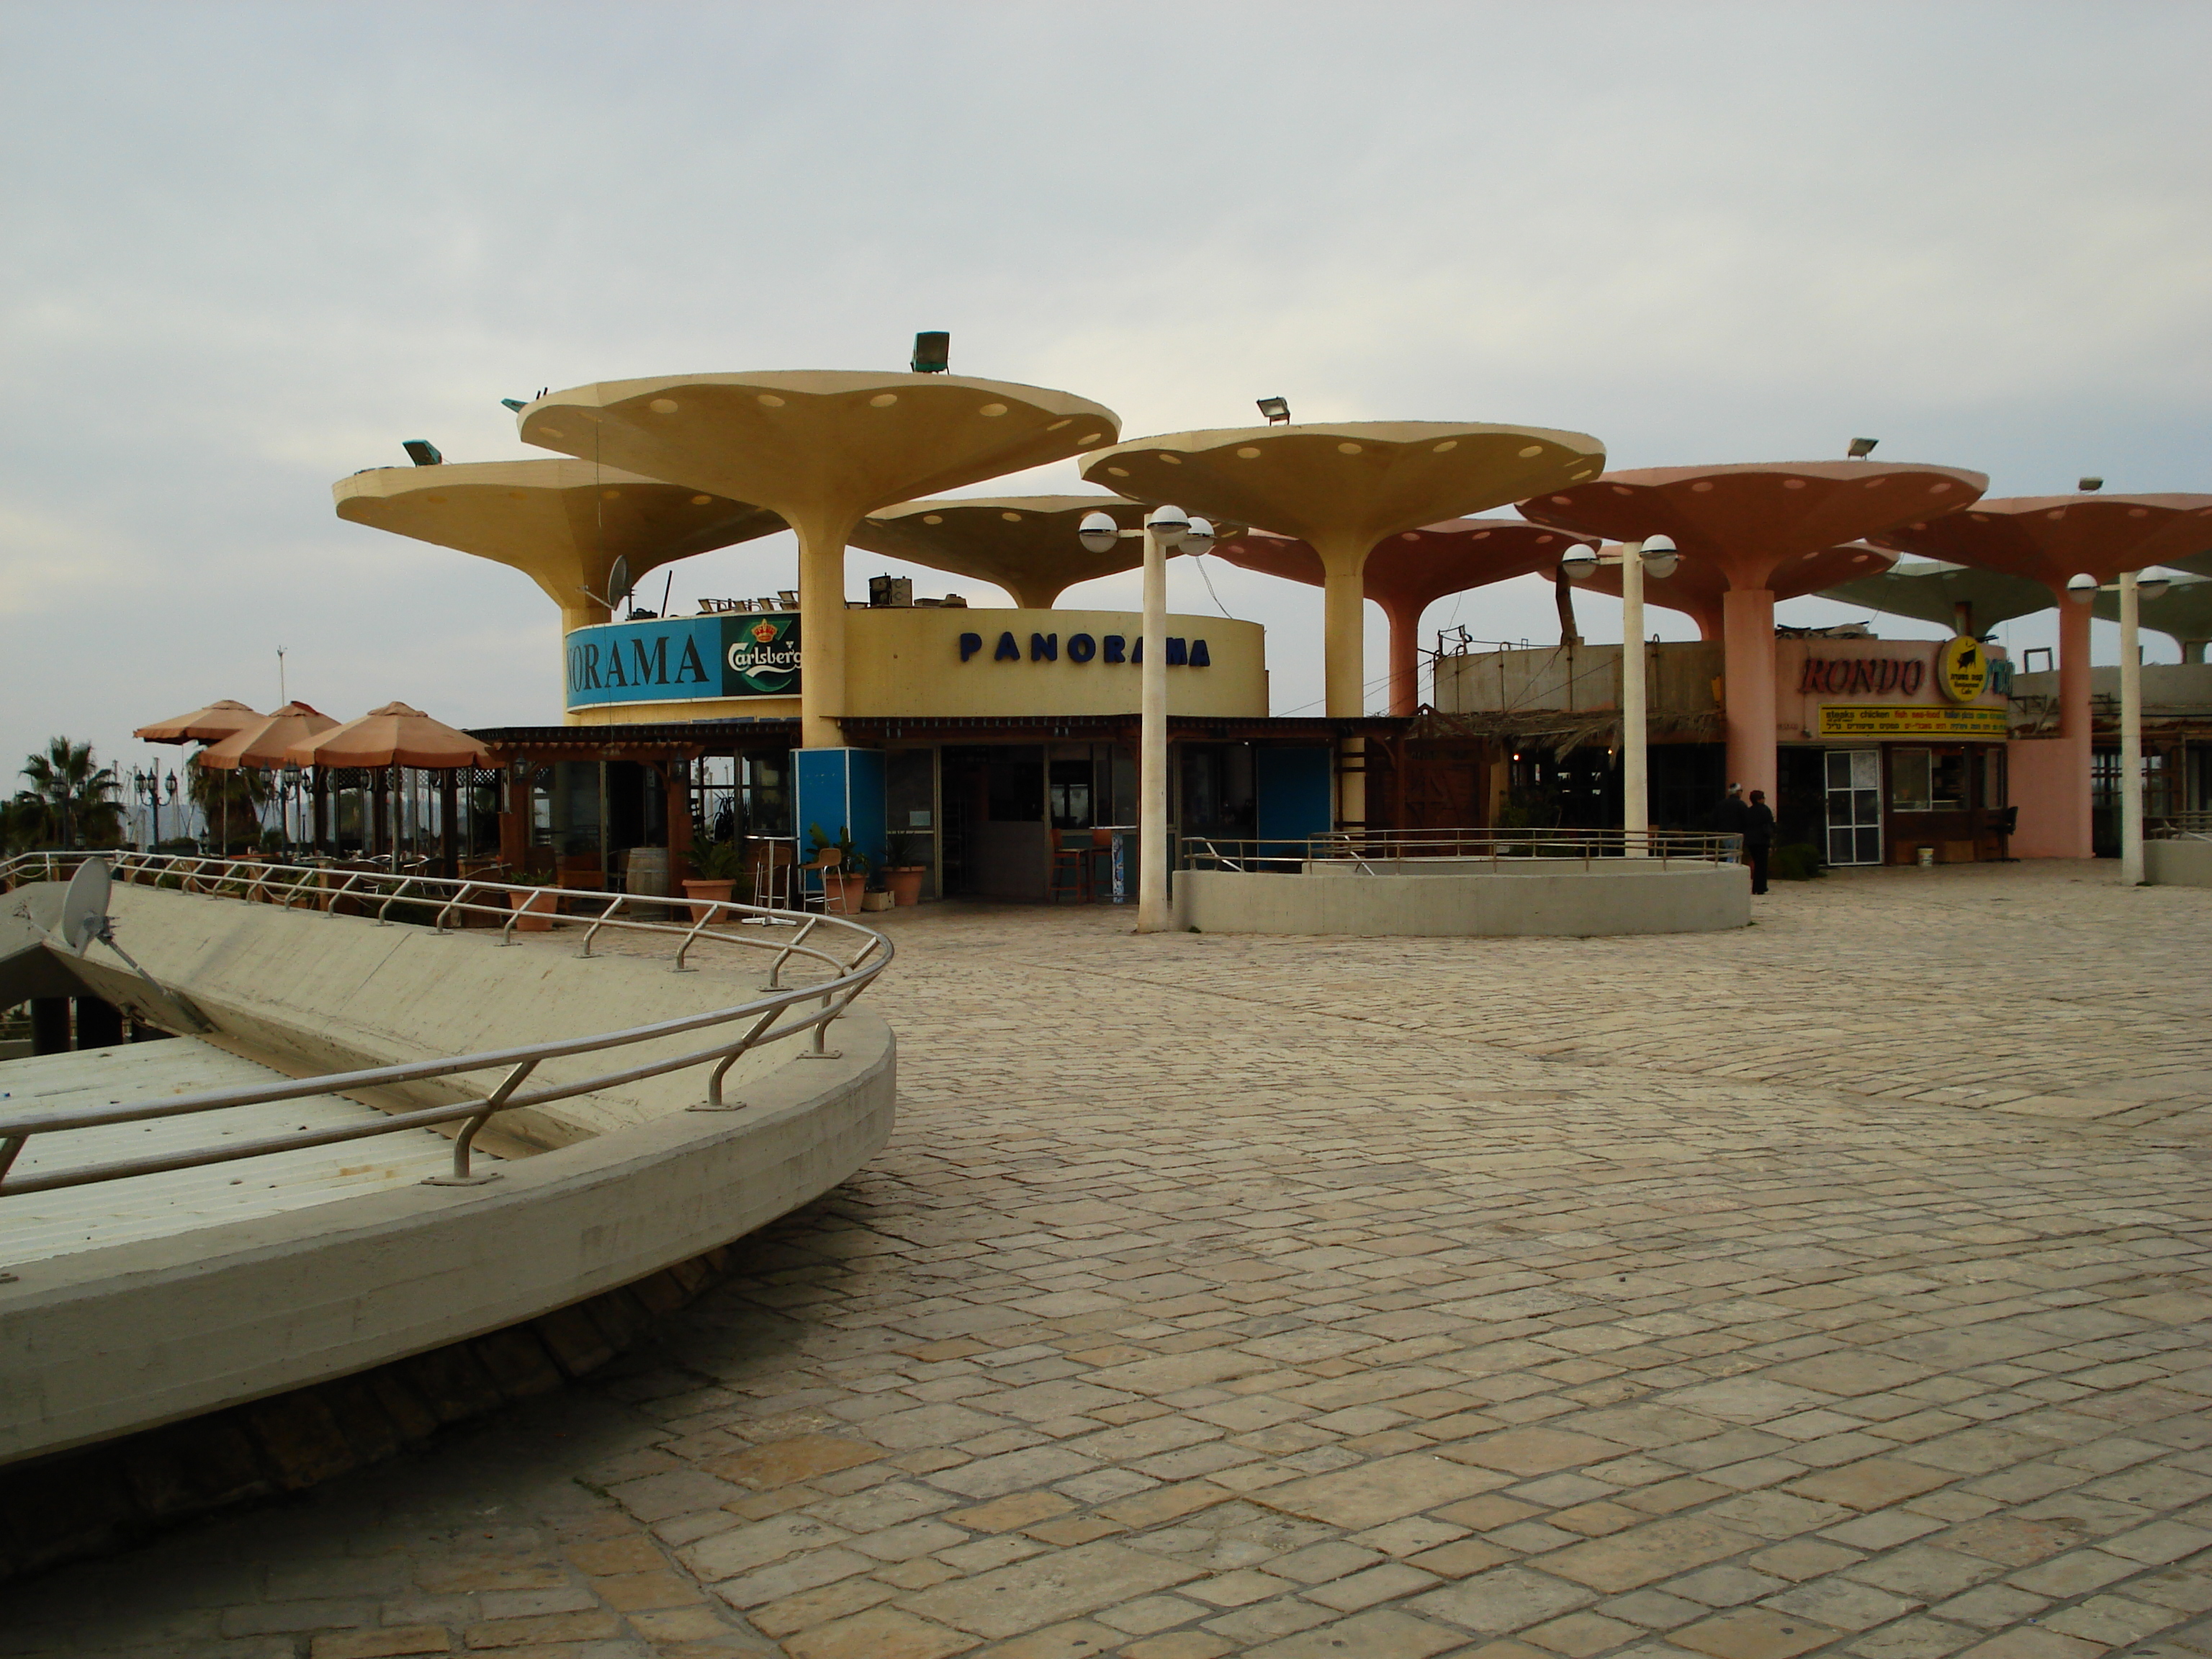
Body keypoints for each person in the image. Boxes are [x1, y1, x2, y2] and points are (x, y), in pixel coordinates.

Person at [1744, 788, 1775, 894]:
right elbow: (1770, 823)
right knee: (1762, 864)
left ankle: (1756, 887)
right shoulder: (1764, 810)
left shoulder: (1749, 811)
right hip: (1762, 840)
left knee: (1757, 862)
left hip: (1751, 840)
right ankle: (1761, 887)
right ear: (1759, 799)